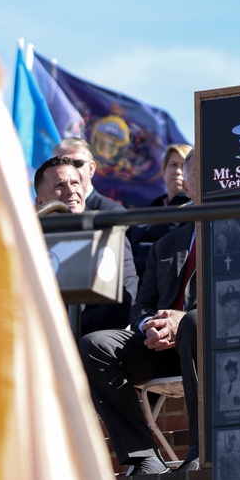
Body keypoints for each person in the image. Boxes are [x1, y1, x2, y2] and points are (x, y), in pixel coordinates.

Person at [80, 152, 199, 476]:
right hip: (158, 347)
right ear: (187, 188)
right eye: (196, 175)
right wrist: (149, 324)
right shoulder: (165, 244)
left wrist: (181, 320)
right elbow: (140, 304)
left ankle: (201, 449)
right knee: (95, 345)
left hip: (208, 342)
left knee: (193, 321)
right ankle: (142, 456)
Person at [35, 160, 137, 336]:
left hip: (86, 340)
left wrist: (67, 331)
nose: (71, 190)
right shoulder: (29, 242)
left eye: (75, 183)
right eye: (59, 185)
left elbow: (124, 301)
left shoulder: (108, 233)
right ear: (40, 201)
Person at [128, 143, 192, 279]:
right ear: (164, 171)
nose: (178, 171)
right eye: (173, 165)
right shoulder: (149, 208)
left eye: (184, 166)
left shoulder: (193, 209)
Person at [47, 139, 114, 211]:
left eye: (77, 164)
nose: (69, 171)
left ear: (91, 169)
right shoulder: (43, 214)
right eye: (61, 164)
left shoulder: (112, 213)